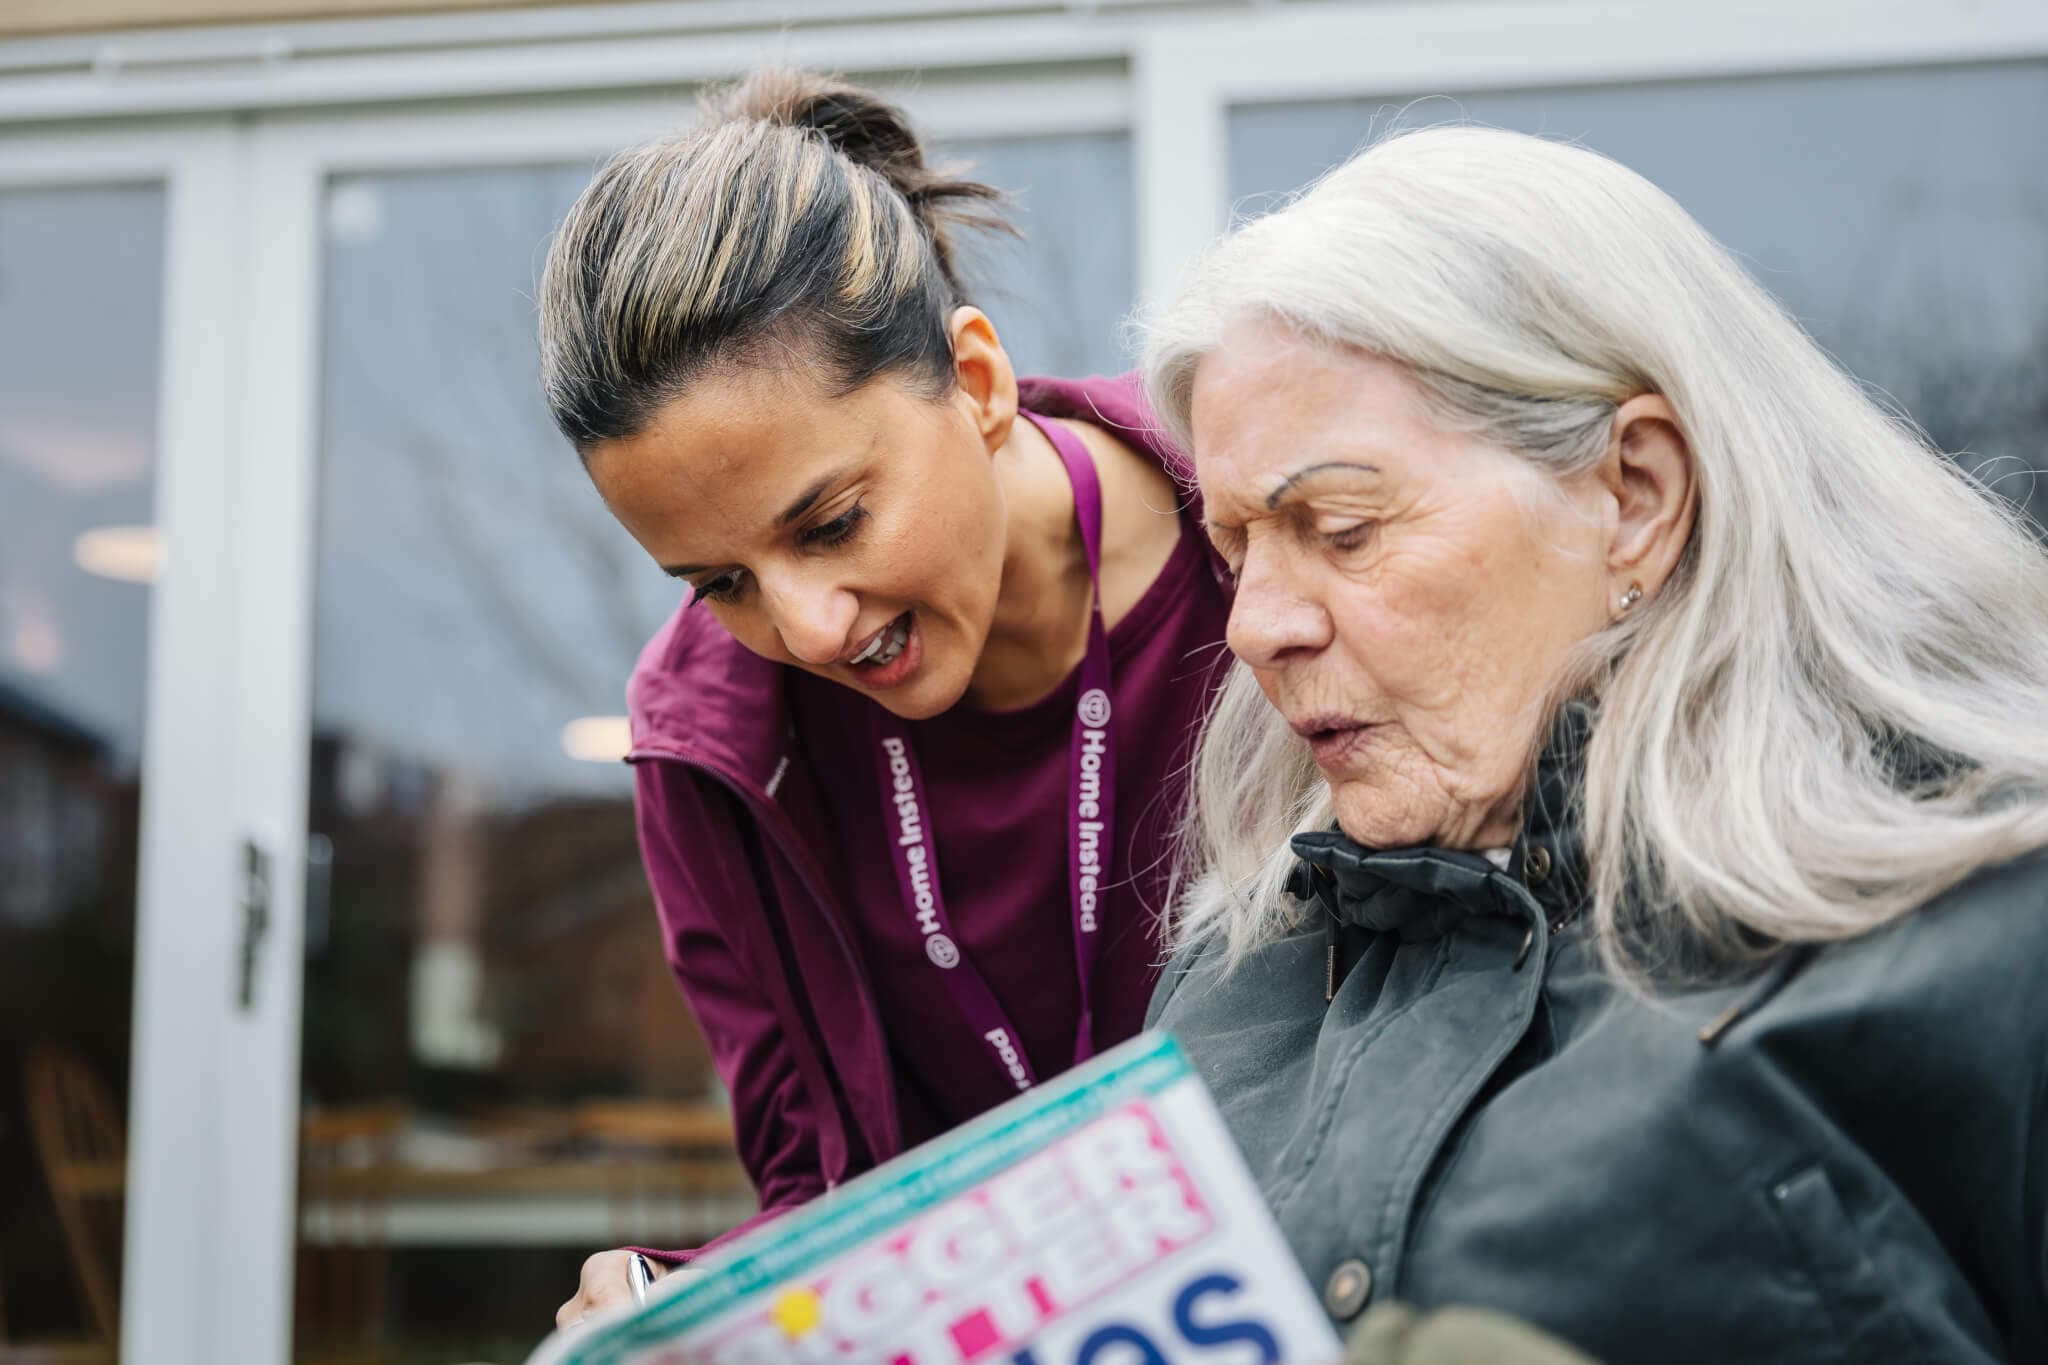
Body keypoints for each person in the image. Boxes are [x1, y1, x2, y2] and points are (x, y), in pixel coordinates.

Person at [1139, 125, 2048, 1363]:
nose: (1255, 627)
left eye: (1341, 527)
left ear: (1634, 496)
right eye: (1235, 550)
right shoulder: (1237, 976)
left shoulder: (1991, 928)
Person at [538, 71, 1232, 1324]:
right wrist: (688, 1303)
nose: (803, 628)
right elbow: (821, 1179)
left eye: (834, 521)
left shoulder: (1271, 556)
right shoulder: (708, 744)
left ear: (974, 382)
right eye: (717, 583)